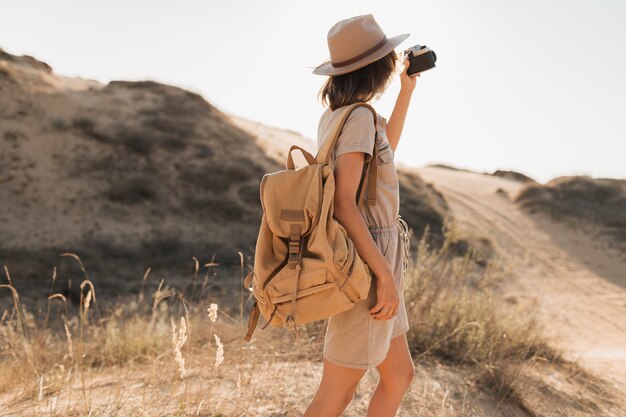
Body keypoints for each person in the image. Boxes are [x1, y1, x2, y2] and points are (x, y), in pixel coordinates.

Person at [303, 14, 420, 417]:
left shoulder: (350, 117)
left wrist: (407, 91)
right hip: (367, 261)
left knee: (399, 374)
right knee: (336, 391)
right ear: (378, 67)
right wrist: (383, 276)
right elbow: (344, 205)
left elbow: (385, 152)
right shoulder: (356, 119)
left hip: (378, 254)